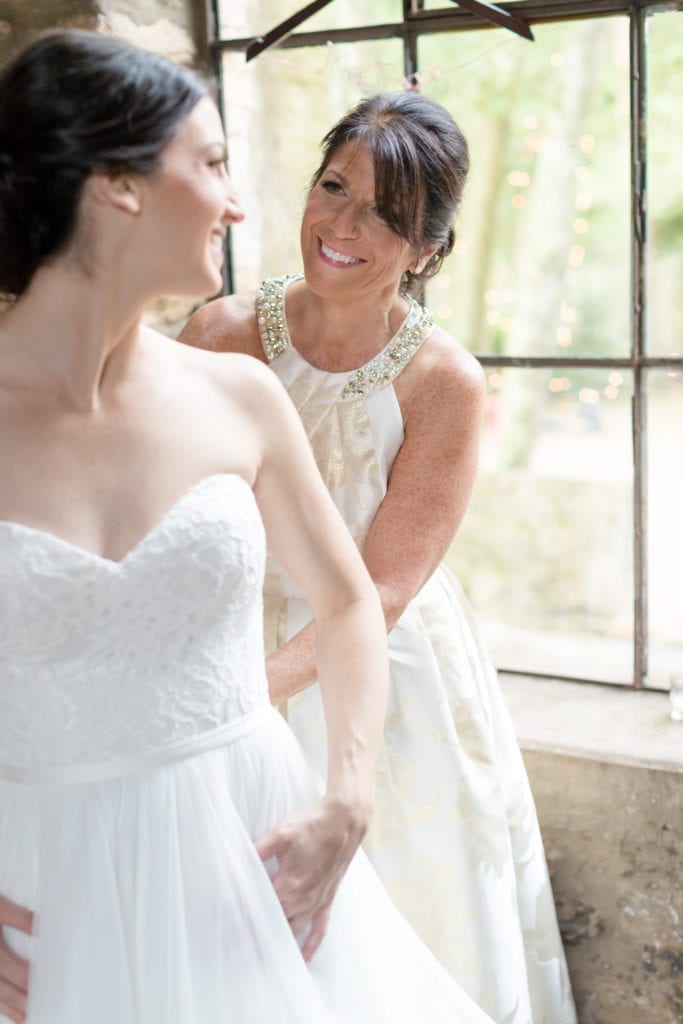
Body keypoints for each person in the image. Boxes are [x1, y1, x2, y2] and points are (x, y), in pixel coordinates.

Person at [0, 30, 497, 1024]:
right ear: (119, 186)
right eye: (214, 164)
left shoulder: (236, 394)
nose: (238, 203)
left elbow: (358, 598)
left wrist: (346, 800)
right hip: (41, 869)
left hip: (259, 850)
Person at [180, 92, 578, 1024]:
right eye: (333, 187)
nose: (342, 226)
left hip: (377, 683)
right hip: (222, 646)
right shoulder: (215, 332)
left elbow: (386, 590)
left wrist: (241, 696)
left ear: (428, 248)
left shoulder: (441, 382)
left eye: (386, 215)